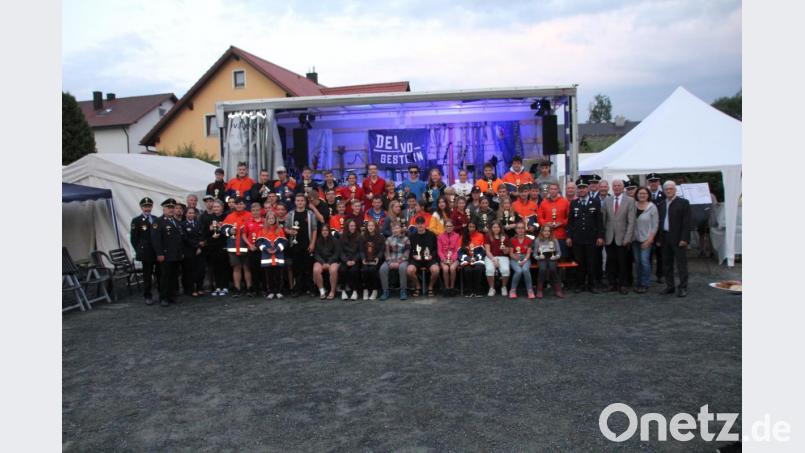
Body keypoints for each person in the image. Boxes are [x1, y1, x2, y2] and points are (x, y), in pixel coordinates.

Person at [566, 178, 604, 293]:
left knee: (591, 262)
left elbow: (599, 221)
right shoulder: (574, 203)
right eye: (580, 188)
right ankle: (580, 284)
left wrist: (600, 236)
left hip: (591, 238)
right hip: (578, 238)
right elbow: (570, 222)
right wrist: (569, 236)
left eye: (584, 187)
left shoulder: (595, 202)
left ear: (587, 188)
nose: (582, 190)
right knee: (579, 262)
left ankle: (592, 284)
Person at [656, 181, 691, 297]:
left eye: (671, 188)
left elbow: (687, 223)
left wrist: (685, 239)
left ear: (675, 190)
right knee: (666, 263)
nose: (669, 191)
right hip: (665, 237)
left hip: (678, 237)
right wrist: (659, 239)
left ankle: (683, 287)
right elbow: (659, 223)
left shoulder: (683, 203)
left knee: (681, 264)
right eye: (666, 189)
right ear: (664, 191)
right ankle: (670, 286)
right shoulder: (661, 204)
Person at [603, 179, 636, 294]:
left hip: (623, 237)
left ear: (623, 188)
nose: (616, 188)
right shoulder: (607, 200)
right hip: (609, 237)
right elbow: (604, 220)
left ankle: (623, 284)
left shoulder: (630, 201)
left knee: (623, 262)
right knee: (610, 261)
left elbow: (631, 221)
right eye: (615, 186)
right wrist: (603, 236)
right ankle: (612, 284)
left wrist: (628, 238)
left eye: (619, 186)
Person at [151, 198, 184, 306]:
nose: (171, 210)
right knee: (165, 277)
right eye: (168, 208)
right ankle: (163, 297)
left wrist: (180, 252)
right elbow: (156, 240)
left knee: (174, 276)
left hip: (176, 254)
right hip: (165, 255)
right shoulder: (158, 222)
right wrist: (159, 253)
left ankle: (172, 296)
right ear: (164, 209)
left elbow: (179, 239)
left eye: (172, 208)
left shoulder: (176, 222)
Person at [286, 193, 318, 297]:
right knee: (297, 268)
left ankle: (311, 289)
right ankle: (298, 289)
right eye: (298, 201)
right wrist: (290, 232)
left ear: (305, 202)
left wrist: (312, 243)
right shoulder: (290, 214)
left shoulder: (310, 214)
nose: (300, 202)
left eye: (302, 201)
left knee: (308, 268)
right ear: (295, 202)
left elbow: (314, 229)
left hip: (307, 244)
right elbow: (285, 228)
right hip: (295, 245)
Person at [130, 197, 160, 305]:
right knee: (147, 275)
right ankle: (148, 296)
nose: (147, 208)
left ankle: (162, 294)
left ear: (152, 207)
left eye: (149, 206)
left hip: (157, 251)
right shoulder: (137, 221)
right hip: (146, 253)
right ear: (141, 207)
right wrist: (140, 250)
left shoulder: (156, 219)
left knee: (159, 274)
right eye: (145, 206)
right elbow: (134, 239)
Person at [222, 197, 252, 297]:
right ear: (234, 205)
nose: (239, 206)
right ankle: (237, 289)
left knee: (247, 268)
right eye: (237, 204)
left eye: (241, 204)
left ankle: (249, 288)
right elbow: (223, 228)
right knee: (236, 268)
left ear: (245, 205)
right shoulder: (229, 216)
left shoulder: (250, 216)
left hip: (246, 246)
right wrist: (230, 231)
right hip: (233, 246)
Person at [632, 187, 659, 294]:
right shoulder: (633, 205)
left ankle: (645, 283)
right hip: (634, 239)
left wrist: (650, 239)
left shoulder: (652, 207)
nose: (642, 195)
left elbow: (655, 225)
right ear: (636, 195)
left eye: (644, 193)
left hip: (646, 239)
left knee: (644, 261)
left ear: (648, 195)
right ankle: (639, 282)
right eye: (640, 193)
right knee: (637, 262)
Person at [257, 212, 288, 299]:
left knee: (279, 275)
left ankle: (278, 291)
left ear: (275, 219)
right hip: (267, 257)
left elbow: (284, 242)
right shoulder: (262, 230)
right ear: (266, 220)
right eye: (269, 218)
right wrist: (266, 249)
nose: (271, 220)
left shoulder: (279, 230)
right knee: (268, 276)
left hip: (278, 256)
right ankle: (270, 292)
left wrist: (277, 249)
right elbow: (259, 243)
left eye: (273, 218)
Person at [406, 216, 440, 297]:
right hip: (417, 260)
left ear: (425, 224)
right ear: (415, 225)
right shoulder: (412, 236)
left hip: (429, 259)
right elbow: (410, 251)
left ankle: (430, 287)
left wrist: (432, 256)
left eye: (422, 224)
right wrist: (413, 256)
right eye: (418, 224)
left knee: (436, 270)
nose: (420, 226)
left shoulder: (432, 235)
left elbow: (436, 249)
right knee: (409, 270)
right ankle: (418, 286)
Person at [202, 200, 229, 296]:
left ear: (222, 207)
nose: (216, 208)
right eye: (214, 207)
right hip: (213, 246)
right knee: (215, 267)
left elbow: (229, 232)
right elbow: (205, 233)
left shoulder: (226, 217)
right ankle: (217, 286)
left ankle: (225, 286)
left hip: (223, 244)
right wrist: (210, 231)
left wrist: (221, 228)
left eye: (218, 207)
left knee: (224, 267)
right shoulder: (209, 218)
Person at [537, 182, 570, 257]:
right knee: (548, 258)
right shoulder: (543, 203)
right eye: (551, 189)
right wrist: (546, 224)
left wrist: (561, 223)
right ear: (548, 190)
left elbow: (569, 218)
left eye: (555, 189)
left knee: (562, 257)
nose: (553, 191)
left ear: (558, 190)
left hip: (561, 235)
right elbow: (540, 217)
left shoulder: (565, 202)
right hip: (547, 236)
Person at [379, 221, 410, 301]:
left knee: (402, 268)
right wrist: (390, 262)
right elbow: (386, 253)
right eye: (393, 228)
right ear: (391, 230)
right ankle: (385, 291)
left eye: (397, 228)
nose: (395, 230)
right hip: (390, 260)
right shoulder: (388, 239)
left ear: (400, 229)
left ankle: (403, 291)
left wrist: (399, 262)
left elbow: (407, 252)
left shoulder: (406, 239)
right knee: (383, 269)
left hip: (402, 260)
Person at [534, 225, 563, 299]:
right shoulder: (538, 240)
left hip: (552, 258)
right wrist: (538, 257)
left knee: (553, 269)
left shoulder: (554, 240)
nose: (547, 232)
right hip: (542, 258)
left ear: (551, 232)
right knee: (542, 269)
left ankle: (557, 289)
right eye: (545, 231)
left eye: (548, 231)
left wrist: (555, 257)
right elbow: (534, 254)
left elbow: (559, 252)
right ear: (542, 231)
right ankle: (539, 290)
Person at [180, 207, 204, 297]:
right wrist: (197, 245)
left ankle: (199, 288)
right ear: (185, 214)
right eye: (189, 213)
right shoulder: (182, 225)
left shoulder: (198, 223)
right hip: (189, 251)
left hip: (200, 250)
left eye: (192, 213)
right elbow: (185, 239)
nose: (191, 215)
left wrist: (200, 245)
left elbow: (202, 235)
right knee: (190, 271)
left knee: (200, 270)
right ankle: (190, 289)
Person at [313, 223, 341, 300]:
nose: (324, 232)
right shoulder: (317, 241)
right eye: (323, 230)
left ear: (329, 231)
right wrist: (322, 263)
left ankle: (332, 291)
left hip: (332, 261)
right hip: (321, 261)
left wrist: (329, 263)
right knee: (316, 270)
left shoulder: (335, 241)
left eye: (326, 230)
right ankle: (322, 291)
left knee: (333, 270)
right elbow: (316, 254)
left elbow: (337, 254)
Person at [647, 172, 665, 284]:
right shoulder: (645, 195)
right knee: (647, 255)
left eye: (655, 181)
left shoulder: (664, 195)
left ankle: (660, 275)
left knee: (661, 254)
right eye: (651, 181)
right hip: (647, 229)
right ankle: (647, 275)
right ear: (648, 183)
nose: (653, 183)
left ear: (659, 182)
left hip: (660, 229)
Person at [360, 220, 386, 300]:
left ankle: (375, 290)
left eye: (372, 226)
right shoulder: (363, 237)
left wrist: (377, 258)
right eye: (369, 226)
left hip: (377, 259)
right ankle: (366, 290)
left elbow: (382, 250)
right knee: (364, 270)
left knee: (373, 270)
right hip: (366, 259)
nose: (370, 227)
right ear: (367, 227)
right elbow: (361, 250)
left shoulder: (381, 237)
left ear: (375, 227)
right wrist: (363, 258)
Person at [459, 221, 486, 298]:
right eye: (470, 226)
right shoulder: (463, 237)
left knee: (478, 269)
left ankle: (477, 291)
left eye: (473, 227)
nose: (471, 228)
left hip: (478, 259)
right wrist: (467, 258)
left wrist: (476, 258)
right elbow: (459, 251)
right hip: (467, 259)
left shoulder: (481, 236)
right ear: (467, 227)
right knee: (468, 270)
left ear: (476, 227)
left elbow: (483, 250)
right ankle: (469, 291)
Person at [509, 222, 535, 299]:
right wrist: (515, 258)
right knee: (518, 271)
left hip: (525, 258)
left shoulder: (529, 240)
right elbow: (510, 253)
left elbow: (528, 253)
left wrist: (525, 260)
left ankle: (530, 290)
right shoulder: (512, 239)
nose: (520, 230)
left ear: (524, 229)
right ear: (516, 230)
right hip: (514, 258)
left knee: (525, 269)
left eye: (522, 228)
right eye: (518, 228)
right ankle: (513, 290)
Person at [484, 221, 511, 297]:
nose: (496, 229)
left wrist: (504, 249)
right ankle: (492, 288)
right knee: (489, 270)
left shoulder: (505, 236)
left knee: (505, 270)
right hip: (490, 256)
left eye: (498, 227)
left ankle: (504, 287)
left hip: (503, 257)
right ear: (491, 228)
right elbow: (487, 251)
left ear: (500, 228)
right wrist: (494, 259)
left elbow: (507, 252)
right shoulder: (487, 236)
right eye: (494, 227)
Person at [245, 202, 265, 295]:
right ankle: (255, 289)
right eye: (253, 210)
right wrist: (250, 245)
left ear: (261, 210)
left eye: (257, 210)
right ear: (251, 211)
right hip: (252, 249)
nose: (256, 212)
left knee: (263, 270)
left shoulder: (265, 221)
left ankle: (264, 289)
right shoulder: (248, 222)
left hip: (263, 250)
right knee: (253, 269)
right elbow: (244, 235)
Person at [339, 219, 362, 300]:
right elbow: (341, 252)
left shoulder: (359, 236)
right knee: (342, 270)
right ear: (347, 226)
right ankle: (343, 290)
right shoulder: (342, 237)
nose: (353, 227)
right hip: (345, 260)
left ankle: (355, 291)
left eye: (354, 226)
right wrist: (346, 261)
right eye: (351, 226)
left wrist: (354, 261)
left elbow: (360, 251)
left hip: (355, 259)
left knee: (354, 271)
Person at [438, 220, 461, 296]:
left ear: (453, 227)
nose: (448, 227)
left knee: (452, 268)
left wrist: (452, 259)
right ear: (444, 227)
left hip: (454, 258)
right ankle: (447, 288)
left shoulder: (457, 236)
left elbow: (457, 250)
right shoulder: (440, 236)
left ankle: (452, 288)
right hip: (444, 258)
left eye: (450, 226)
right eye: (447, 226)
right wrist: (443, 259)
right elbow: (439, 250)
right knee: (445, 269)